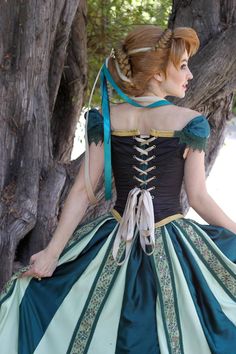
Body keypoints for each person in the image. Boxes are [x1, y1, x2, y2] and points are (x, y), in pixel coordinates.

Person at [0, 25, 236, 354]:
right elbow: (198, 198)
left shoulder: (107, 119)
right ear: (156, 72)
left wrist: (54, 252)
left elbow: (84, 191)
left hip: (112, 240)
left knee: (107, 329)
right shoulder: (189, 121)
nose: (190, 74)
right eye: (182, 65)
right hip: (171, 239)